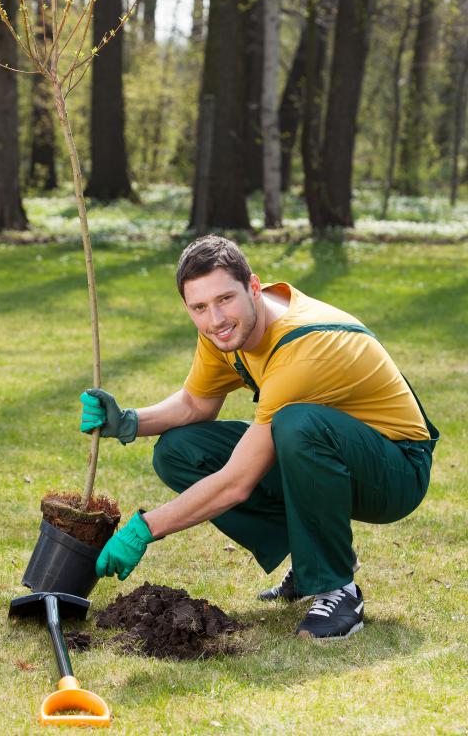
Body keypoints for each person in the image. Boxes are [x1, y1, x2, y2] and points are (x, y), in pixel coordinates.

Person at [80, 235, 438, 640]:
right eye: (200, 307)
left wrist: (146, 528)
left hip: (396, 469)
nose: (216, 318)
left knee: (296, 424)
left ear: (254, 286)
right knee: (179, 451)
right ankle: (313, 556)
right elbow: (196, 405)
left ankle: (338, 589)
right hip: (331, 450)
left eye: (225, 299)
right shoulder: (224, 333)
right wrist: (127, 422)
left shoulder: (303, 346)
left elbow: (237, 482)